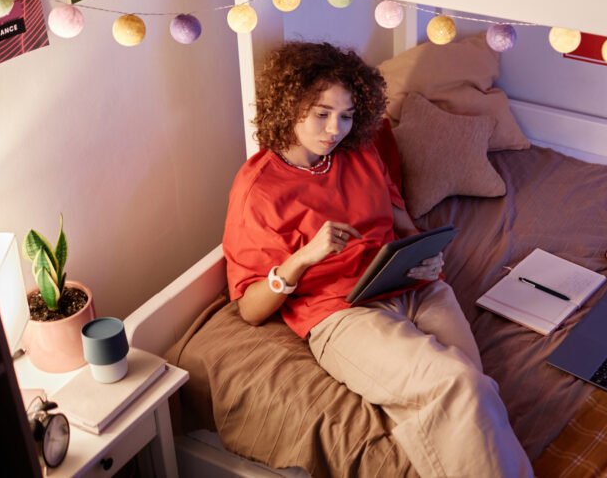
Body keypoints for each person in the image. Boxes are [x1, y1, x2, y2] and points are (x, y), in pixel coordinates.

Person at [223, 41, 533, 478]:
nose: (335, 129)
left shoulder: (359, 149)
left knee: (475, 389)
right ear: (289, 105)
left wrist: (424, 254)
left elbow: (400, 221)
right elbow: (251, 309)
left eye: (347, 115)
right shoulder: (258, 190)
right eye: (322, 113)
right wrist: (304, 258)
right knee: (458, 386)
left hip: (410, 282)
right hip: (342, 313)